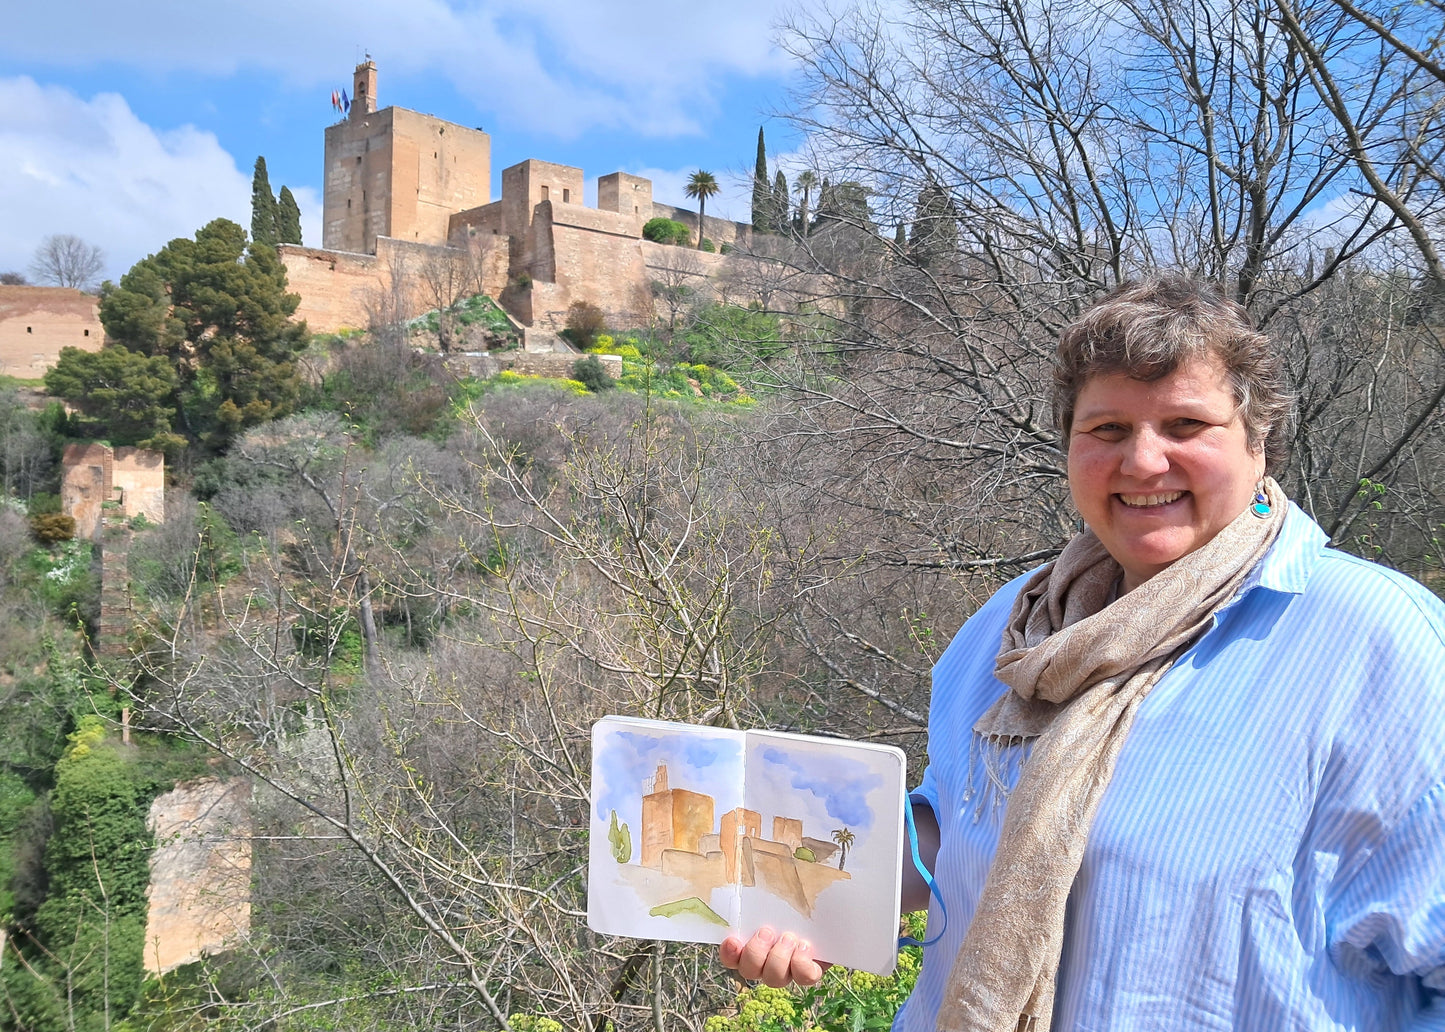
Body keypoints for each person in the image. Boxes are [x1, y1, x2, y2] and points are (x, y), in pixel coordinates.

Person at [720, 274, 1445, 1030]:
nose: (1142, 461)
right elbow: (956, 817)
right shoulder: (1014, 627)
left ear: (1257, 441)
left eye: (1186, 425)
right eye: (1105, 430)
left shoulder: (1376, 643)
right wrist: (816, 897)